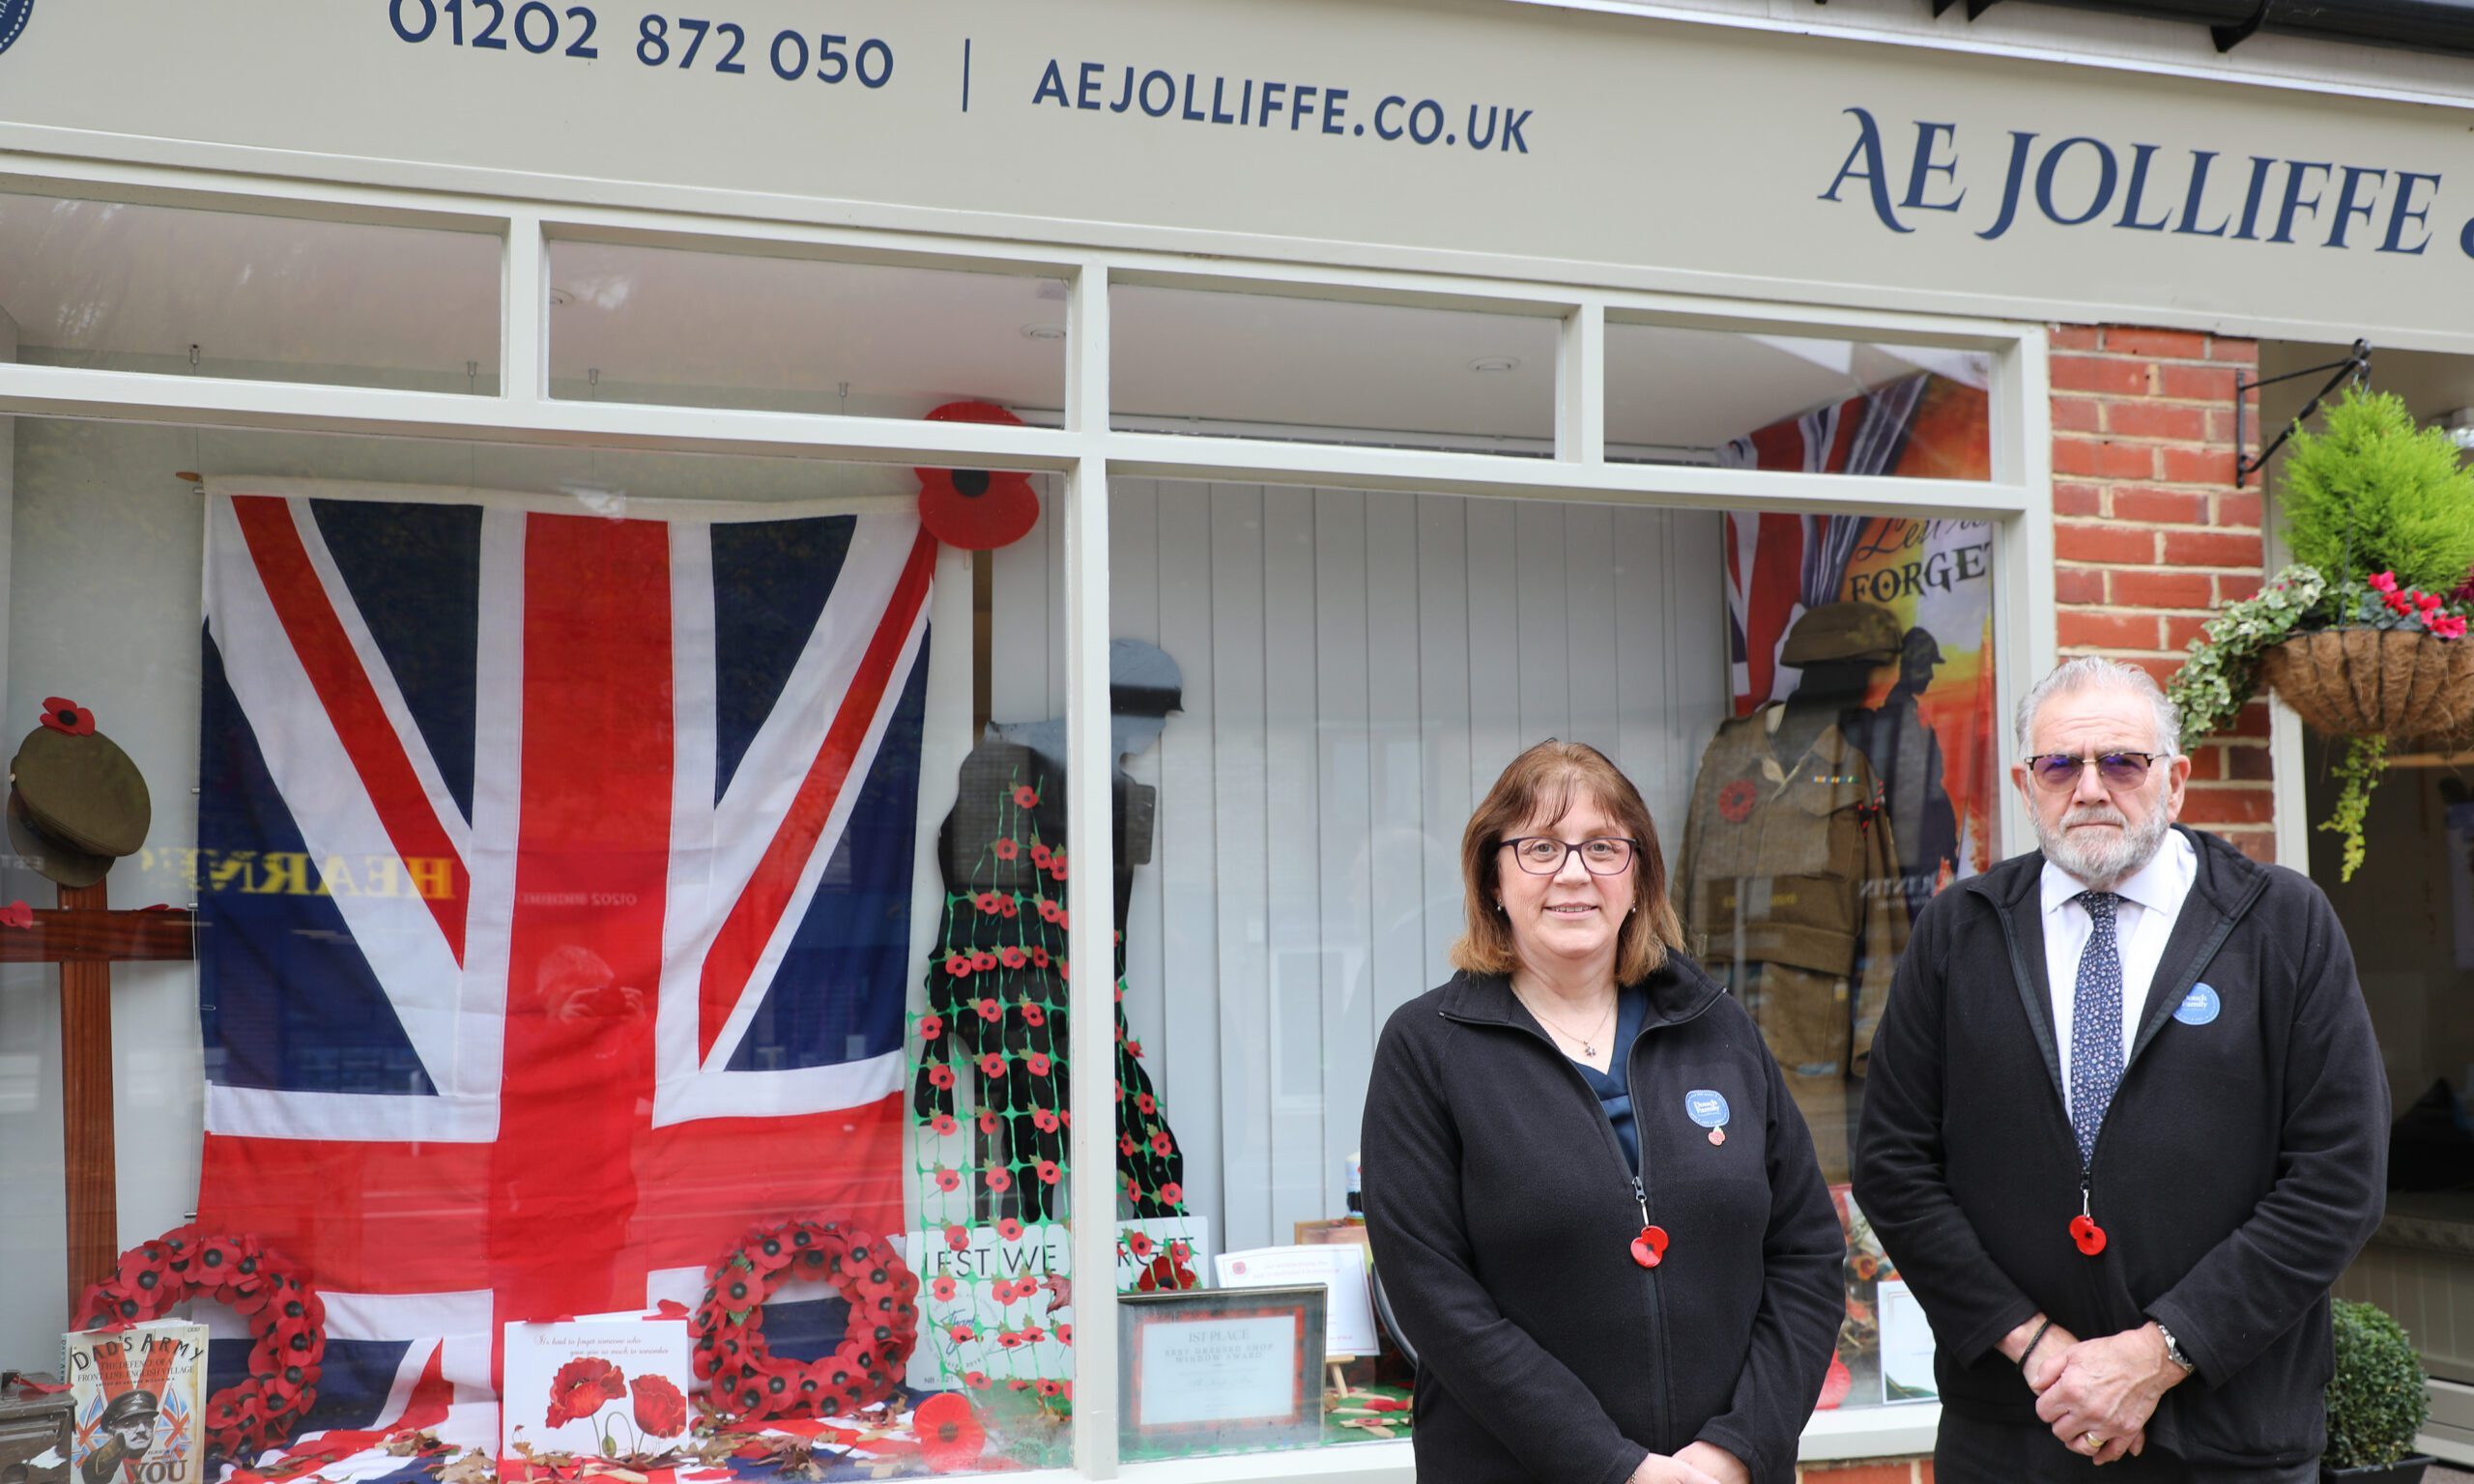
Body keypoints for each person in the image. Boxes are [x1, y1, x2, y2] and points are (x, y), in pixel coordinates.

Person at [1853, 658, 2387, 1481]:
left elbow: (2338, 1177)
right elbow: (1893, 1166)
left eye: (2122, 762)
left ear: (2173, 782)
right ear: (2026, 785)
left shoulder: (2281, 923)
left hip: (2230, 1435)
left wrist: (2160, 1354)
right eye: (2061, 764)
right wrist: (2038, 1352)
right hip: (2018, 1428)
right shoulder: (1960, 931)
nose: (2091, 788)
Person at [1363, 740, 1844, 1484]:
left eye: (1602, 847)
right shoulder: (1428, 1050)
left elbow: (1806, 1259)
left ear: (1638, 875)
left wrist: (1738, 1450)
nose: (1574, 873)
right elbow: (1435, 1300)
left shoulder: (1719, 1030)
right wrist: (1614, 1467)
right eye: (1541, 848)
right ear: (1493, 876)